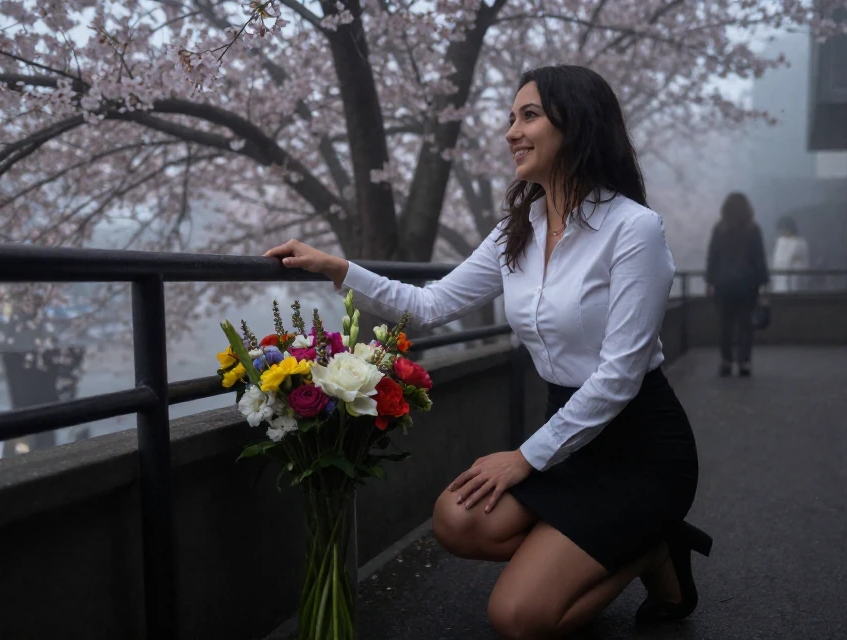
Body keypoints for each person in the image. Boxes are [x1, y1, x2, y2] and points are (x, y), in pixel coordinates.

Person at [266, 65, 711, 638]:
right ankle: (616, 545)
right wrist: (338, 269)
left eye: (529, 116)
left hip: (641, 448)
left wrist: (525, 456)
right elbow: (430, 304)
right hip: (569, 439)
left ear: (576, 125)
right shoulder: (517, 231)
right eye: (511, 118)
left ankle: (652, 545)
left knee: (517, 618)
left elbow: (620, 378)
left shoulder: (634, 229)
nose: (511, 132)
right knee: (456, 519)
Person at [704, 192, 769, 377]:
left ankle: (726, 361)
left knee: (725, 325)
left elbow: (713, 256)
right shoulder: (753, 229)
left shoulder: (719, 229)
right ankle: (744, 362)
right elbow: (759, 258)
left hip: (724, 284)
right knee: (745, 324)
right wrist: (763, 283)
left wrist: (709, 281)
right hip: (748, 284)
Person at [771, 215, 810, 293]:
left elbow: (803, 263)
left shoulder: (800, 243)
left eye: (784, 229)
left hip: (795, 282)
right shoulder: (780, 242)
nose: (782, 232)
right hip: (780, 284)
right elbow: (776, 262)